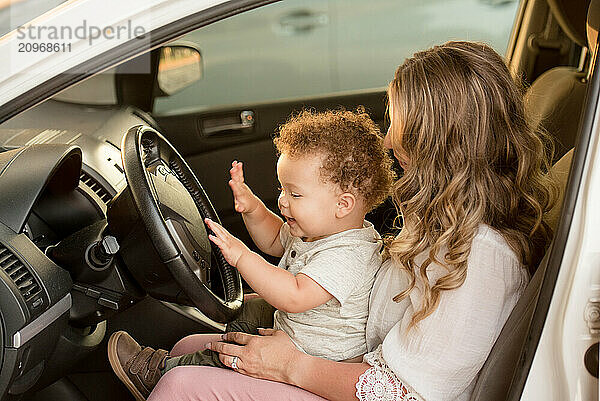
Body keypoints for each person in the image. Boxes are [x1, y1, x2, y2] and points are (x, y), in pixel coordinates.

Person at [145, 41, 557, 401]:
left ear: (437, 141)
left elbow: (403, 394)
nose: (389, 137)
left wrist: (291, 367)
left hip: (352, 381)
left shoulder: (479, 260)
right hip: (344, 358)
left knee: (180, 386)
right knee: (188, 345)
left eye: (397, 122)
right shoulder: (445, 223)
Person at [107, 109, 395, 401]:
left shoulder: (349, 255)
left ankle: (157, 374)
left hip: (316, 360)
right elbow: (273, 239)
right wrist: (253, 208)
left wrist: (242, 257)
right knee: (236, 315)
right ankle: (189, 356)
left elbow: (295, 296)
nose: (282, 201)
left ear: (343, 205)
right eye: (282, 189)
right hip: (293, 333)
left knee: (224, 357)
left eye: (294, 194)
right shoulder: (319, 232)